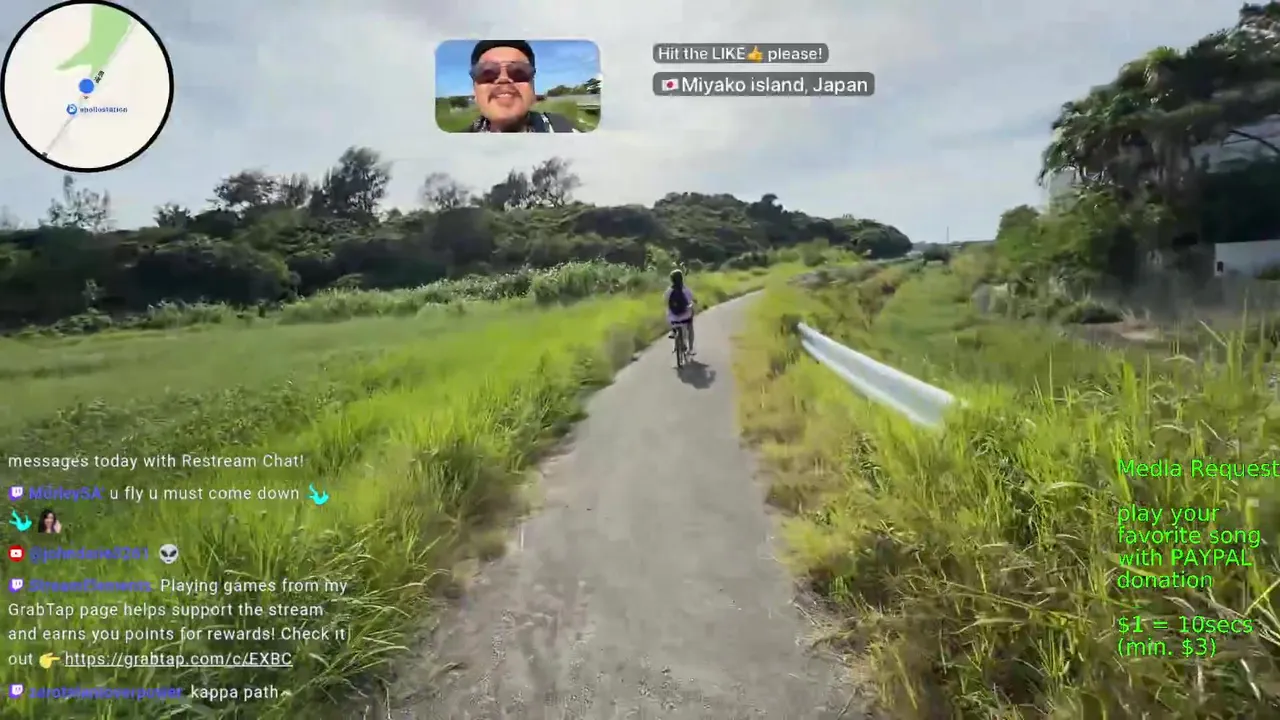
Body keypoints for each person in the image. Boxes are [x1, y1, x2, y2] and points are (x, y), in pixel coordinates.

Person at [466, 41, 579, 133]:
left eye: (519, 72)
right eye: (487, 74)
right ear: (475, 91)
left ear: (532, 88)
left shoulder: (565, 131)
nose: (503, 79)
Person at [665, 269, 695, 355]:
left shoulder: (669, 291)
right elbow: (691, 300)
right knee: (690, 327)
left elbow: (666, 301)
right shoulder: (686, 290)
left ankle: (673, 333)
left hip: (673, 318)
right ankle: (691, 348)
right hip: (686, 317)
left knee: (669, 313)